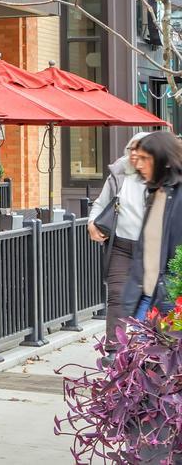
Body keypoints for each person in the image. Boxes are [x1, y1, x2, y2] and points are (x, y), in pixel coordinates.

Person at [89, 131, 152, 339]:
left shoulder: (160, 174)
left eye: (140, 150)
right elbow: (101, 202)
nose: (134, 155)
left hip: (152, 247)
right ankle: (115, 349)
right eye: (131, 149)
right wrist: (92, 224)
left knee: (150, 297)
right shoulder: (119, 173)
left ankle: (147, 346)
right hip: (121, 245)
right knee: (116, 294)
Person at [124, 131, 182, 321]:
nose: (138, 165)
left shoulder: (178, 196)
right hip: (148, 298)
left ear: (165, 160)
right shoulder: (154, 194)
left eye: (145, 158)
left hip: (171, 301)